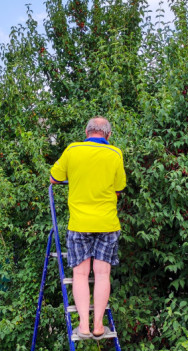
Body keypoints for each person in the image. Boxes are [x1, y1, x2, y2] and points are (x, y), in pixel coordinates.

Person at [49, 116, 126, 338]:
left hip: (79, 223)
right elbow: (119, 189)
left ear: (86, 131)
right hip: (107, 223)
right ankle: (99, 326)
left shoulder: (73, 150)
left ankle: (83, 326)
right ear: (108, 135)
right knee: (103, 274)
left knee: (80, 275)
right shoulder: (115, 154)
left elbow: (54, 178)